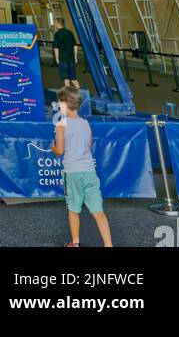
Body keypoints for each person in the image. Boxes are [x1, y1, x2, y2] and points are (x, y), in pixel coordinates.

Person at [52, 85, 112, 248]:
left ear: (64, 103)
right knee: (98, 211)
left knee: (73, 209)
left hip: (72, 172)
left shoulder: (61, 125)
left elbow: (60, 150)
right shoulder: (86, 123)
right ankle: (108, 244)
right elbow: (89, 145)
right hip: (89, 172)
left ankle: (76, 243)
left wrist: (52, 147)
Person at [53, 17, 79, 86]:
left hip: (63, 59)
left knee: (66, 79)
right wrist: (75, 57)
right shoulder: (70, 33)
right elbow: (75, 46)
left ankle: (68, 95)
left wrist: (57, 59)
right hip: (71, 59)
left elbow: (56, 48)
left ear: (58, 23)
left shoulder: (57, 34)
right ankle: (80, 93)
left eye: (55, 23)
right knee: (73, 78)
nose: (54, 25)